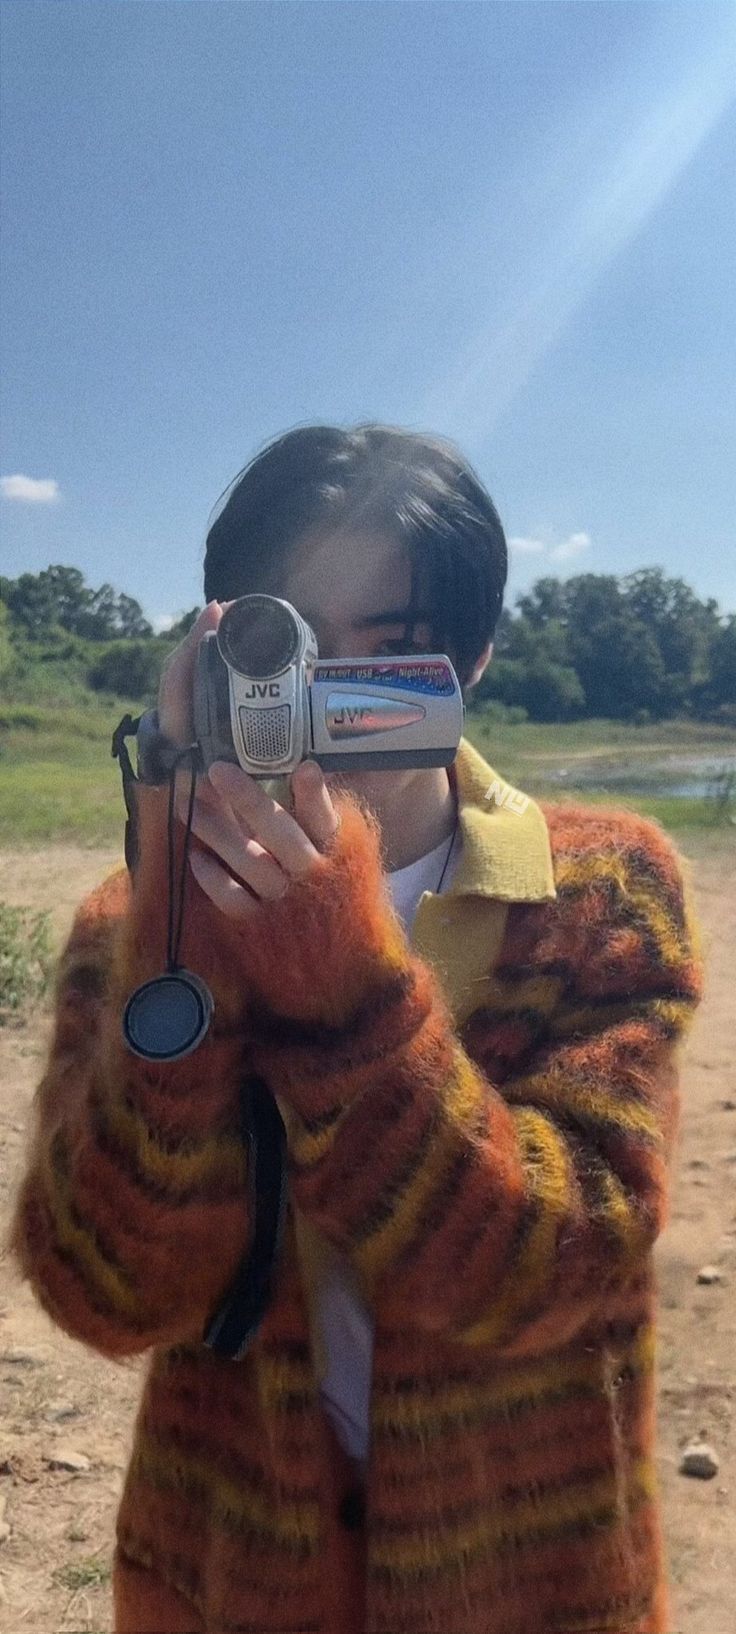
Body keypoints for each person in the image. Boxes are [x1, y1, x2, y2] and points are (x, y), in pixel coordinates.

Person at [10, 424, 702, 1634]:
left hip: (530, 1581)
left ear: (474, 654)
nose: (318, 692)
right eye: (288, 643)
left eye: (382, 649)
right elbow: (102, 1290)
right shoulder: (140, 922)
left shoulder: (602, 890)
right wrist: (189, 923)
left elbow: (560, 1264)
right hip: (229, 1577)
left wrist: (343, 985)